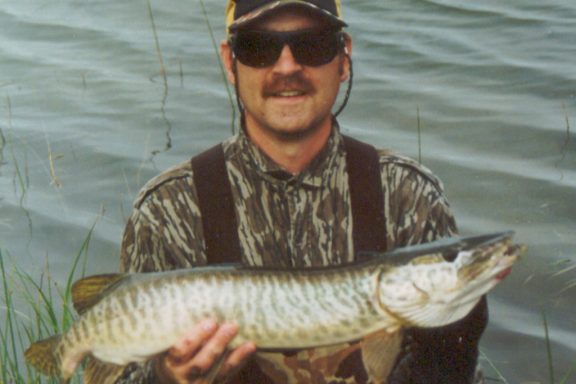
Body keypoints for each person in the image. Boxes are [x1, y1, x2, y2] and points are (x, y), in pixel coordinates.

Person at [114, 1, 488, 383]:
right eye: (259, 47)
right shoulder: (167, 211)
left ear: (344, 59)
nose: (287, 67)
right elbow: (118, 370)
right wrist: (163, 378)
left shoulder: (409, 196)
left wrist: (450, 351)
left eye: (312, 45)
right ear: (230, 62)